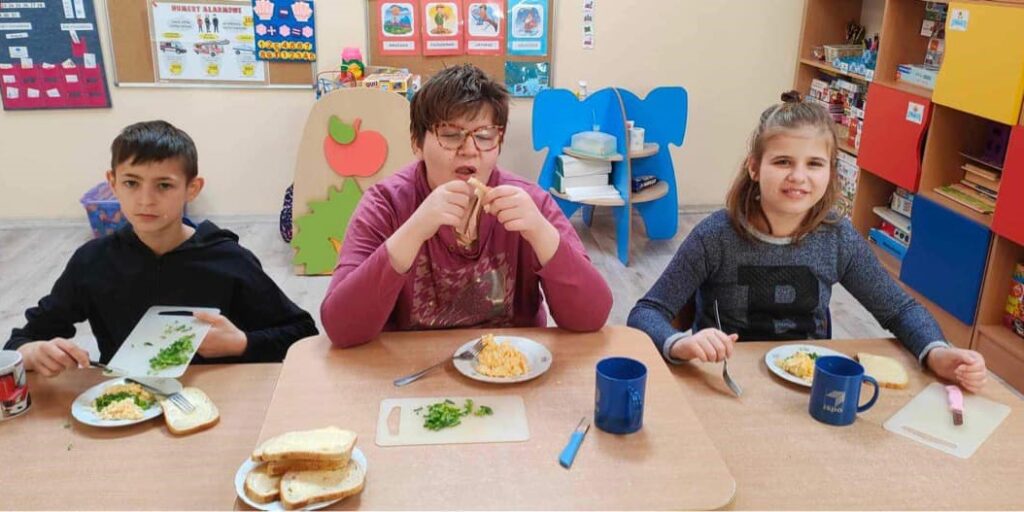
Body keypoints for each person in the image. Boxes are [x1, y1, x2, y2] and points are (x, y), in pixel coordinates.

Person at [628, 91, 988, 392]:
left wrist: (937, 352)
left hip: (808, 390)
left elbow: (899, 310)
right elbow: (646, 313)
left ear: (831, 171)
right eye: (783, 161)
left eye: (814, 164)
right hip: (725, 384)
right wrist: (681, 343)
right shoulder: (716, 236)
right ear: (754, 167)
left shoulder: (838, 238)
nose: (798, 176)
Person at [321, 64, 612, 347]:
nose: (470, 150)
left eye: (484, 136)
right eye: (450, 134)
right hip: (412, 367)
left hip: (511, 366)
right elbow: (341, 328)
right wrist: (414, 230)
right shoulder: (385, 204)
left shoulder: (530, 203)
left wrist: (540, 232)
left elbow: (592, 316)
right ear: (417, 143)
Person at [4, 121, 317, 376]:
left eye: (164, 185)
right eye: (131, 183)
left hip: (217, 400)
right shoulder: (92, 261)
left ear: (192, 189)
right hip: (128, 403)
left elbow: (302, 332)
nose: (145, 200)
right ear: (112, 183)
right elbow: (22, 340)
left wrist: (241, 343)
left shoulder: (228, 259)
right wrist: (31, 352)